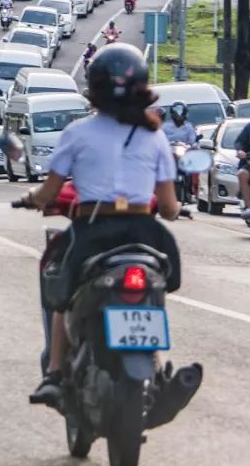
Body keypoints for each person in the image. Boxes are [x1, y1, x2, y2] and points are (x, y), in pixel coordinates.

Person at [21, 44, 193, 409]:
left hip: (92, 231)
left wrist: (32, 198)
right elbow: (168, 207)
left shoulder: (77, 132)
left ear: (93, 88)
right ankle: (158, 369)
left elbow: (50, 191)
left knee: (60, 294)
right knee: (157, 288)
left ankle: (54, 372)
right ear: (143, 87)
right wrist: (176, 209)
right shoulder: (155, 135)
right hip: (145, 232)